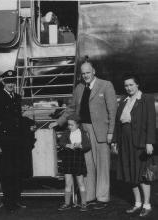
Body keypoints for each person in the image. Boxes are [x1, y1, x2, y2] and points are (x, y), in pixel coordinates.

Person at [49, 56, 117, 209]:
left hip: (100, 131)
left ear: (94, 71)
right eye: (83, 73)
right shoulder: (79, 88)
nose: (85, 75)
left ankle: (102, 198)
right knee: (87, 165)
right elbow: (71, 109)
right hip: (83, 130)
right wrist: (59, 121)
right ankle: (90, 196)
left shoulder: (106, 86)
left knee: (102, 165)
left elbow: (112, 112)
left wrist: (111, 132)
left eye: (88, 72)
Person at [111, 73, 156, 217]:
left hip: (140, 143)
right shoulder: (123, 101)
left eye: (131, 85)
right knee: (129, 173)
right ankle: (137, 203)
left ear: (137, 85)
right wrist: (115, 141)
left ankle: (147, 204)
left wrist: (150, 142)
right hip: (125, 142)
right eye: (126, 85)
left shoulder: (146, 99)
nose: (128, 88)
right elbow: (118, 124)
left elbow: (151, 122)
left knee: (142, 174)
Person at [0, 70, 25, 213]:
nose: (11, 84)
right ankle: (8, 203)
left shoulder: (17, 97)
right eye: (8, 81)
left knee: (17, 171)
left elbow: (19, 118)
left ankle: (16, 200)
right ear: (3, 82)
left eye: (13, 82)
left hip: (17, 139)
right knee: (7, 172)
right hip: (4, 140)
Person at [57, 114, 91, 212]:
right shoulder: (66, 132)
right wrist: (68, 145)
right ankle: (67, 203)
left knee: (80, 182)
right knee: (68, 183)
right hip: (68, 159)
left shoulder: (82, 133)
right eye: (68, 125)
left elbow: (88, 145)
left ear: (78, 124)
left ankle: (84, 203)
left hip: (78, 158)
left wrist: (80, 146)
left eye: (72, 125)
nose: (69, 127)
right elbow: (61, 142)